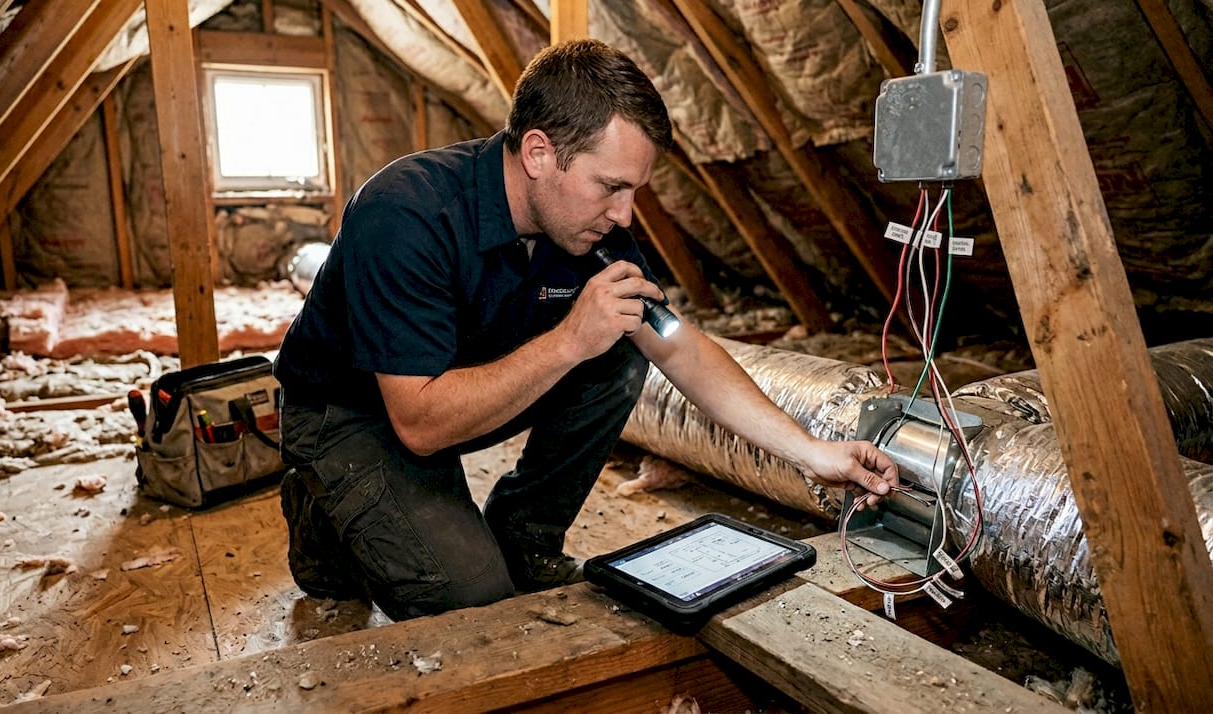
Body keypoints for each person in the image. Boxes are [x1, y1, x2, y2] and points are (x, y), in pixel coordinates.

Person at [273, 39, 898, 621]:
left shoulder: (590, 227)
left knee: (622, 352)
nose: (624, 213)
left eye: (633, 191)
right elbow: (421, 423)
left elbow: (678, 346)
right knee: (476, 602)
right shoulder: (406, 213)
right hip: (354, 416)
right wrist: (569, 339)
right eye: (611, 187)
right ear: (540, 152)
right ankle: (324, 518)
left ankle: (525, 541)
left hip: (457, 396)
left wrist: (813, 453)